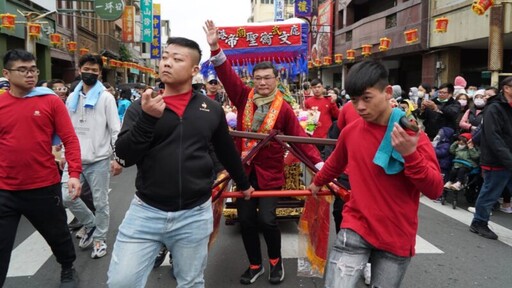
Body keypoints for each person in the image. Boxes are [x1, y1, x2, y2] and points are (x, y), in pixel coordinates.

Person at [108, 36, 254, 288]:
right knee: (122, 282)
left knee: (191, 282)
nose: (167, 63)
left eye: (177, 59)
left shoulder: (211, 109)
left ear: (194, 70)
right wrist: (147, 119)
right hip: (146, 211)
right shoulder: (142, 106)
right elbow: (123, 156)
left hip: (195, 214)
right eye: (165, 57)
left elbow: (226, 152)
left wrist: (243, 184)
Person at [204, 19, 324, 285]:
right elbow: (227, 76)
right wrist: (215, 48)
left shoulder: (284, 108)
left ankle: (275, 262)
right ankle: (255, 264)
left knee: (268, 221)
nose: (262, 82)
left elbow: (299, 139)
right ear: (252, 80)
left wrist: (319, 165)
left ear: (276, 79)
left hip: (270, 175)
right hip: (244, 173)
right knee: (246, 221)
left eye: (267, 78)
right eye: (258, 78)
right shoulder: (244, 97)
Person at [309, 60, 443, 288]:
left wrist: (410, 155)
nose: (359, 107)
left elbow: (435, 189)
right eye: (353, 100)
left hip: (396, 234)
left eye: (366, 98)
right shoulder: (351, 132)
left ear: (387, 92)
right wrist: (317, 183)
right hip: (356, 224)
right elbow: (335, 163)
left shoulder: (411, 136)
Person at [0, 49, 82, 287]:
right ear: (7, 73)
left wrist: (74, 174)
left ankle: (68, 267)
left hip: (43, 187)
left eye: (33, 69)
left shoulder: (50, 101)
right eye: (23, 70)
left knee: (57, 235)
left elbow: (70, 138)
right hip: (5, 189)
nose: (30, 75)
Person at [61, 53, 122, 259]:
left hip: (99, 160)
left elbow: (115, 130)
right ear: (79, 70)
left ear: (100, 73)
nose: (90, 73)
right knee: (66, 197)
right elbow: (67, 129)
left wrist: (116, 157)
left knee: (100, 202)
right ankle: (90, 224)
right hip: (74, 160)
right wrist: (63, 153)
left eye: (94, 71)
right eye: (86, 69)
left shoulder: (106, 98)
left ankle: (99, 239)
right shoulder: (71, 97)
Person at [469, 76, 512, 240]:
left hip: (508, 158)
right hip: (496, 159)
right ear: (506, 88)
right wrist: (508, 159)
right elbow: (494, 137)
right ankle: (479, 223)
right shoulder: (494, 108)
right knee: (490, 193)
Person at [304, 78, 339, 158]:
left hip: (327, 137)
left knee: (327, 159)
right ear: (311, 88)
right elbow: (306, 119)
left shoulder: (329, 100)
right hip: (313, 136)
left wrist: (333, 103)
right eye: (314, 87)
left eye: (319, 87)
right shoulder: (308, 102)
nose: (317, 89)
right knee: (314, 160)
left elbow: (337, 116)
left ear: (322, 87)